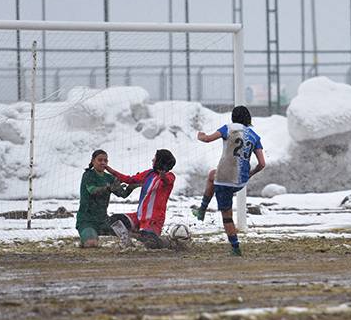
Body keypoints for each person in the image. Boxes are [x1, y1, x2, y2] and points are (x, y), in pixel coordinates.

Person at [192, 105, 266, 256]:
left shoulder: (228, 128)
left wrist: (200, 135)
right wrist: (250, 174)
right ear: (248, 119)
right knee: (212, 174)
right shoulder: (254, 136)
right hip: (240, 181)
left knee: (227, 216)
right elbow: (262, 164)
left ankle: (235, 248)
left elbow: (207, 139)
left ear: (233, 117)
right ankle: (201, 210)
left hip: (225, 180)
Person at [105, 149, 177, 249]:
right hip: (138, 217)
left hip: (153, 221)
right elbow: (130, 179)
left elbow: (167, 181)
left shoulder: (170, 176)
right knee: (114, 220)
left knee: (149, 243)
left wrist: (163, 177)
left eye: (155, 158)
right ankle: (128, 241)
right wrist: (110, 170)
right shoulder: (149, 173)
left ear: (160, 161)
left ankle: (167, 243)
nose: (152, 160)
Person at [76, 149, 135, 248]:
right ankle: (85, 239)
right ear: (93, 161)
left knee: (129, 240)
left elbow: (122, 194)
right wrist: (107, 188)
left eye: (105, 160)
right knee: (92, 244)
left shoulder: (109, 178)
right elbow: (92, 190)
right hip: (87, 220)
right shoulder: (88, 175)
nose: (103, 162)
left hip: (103, 220)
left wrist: (132, 187)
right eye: (100, 160)